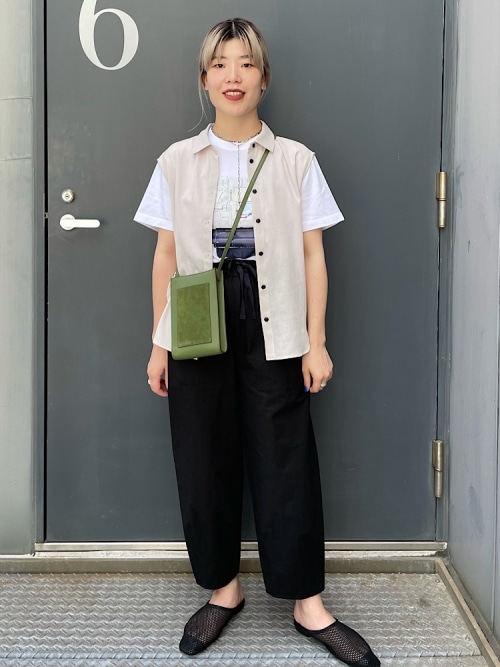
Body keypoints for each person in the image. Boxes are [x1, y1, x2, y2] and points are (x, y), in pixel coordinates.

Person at [134, 18, 380, 667]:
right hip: (196, 321)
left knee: (285, 457)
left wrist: (316, 342)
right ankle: (223, 590)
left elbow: (313, 254)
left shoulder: (295, 159)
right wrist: (159, 343)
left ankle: (308, 602)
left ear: (264, 78)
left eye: (245, 63)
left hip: (276, 316)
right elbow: (164, 256)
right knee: (203, 454)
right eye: (220, 64)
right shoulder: (175, 160)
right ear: (204, 79)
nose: (233, 76)